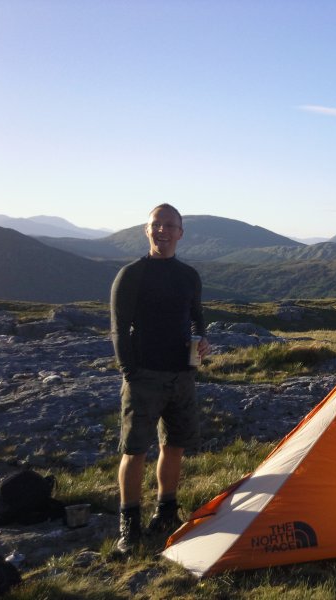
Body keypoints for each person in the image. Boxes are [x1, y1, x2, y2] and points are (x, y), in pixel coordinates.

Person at [109, 203, 209, 555]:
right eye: (156, 224)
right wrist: (130, 372)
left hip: (182, 374)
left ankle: (166, 511)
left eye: (169, 225)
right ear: (146, 230)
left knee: (174, 445)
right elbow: (119, 328)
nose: (162, 230)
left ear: (180, 233)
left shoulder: (188, 276)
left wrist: (201, 340)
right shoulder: (131, 274)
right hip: (144, 377)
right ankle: (130, 525)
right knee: (134, 450)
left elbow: (196, 317)